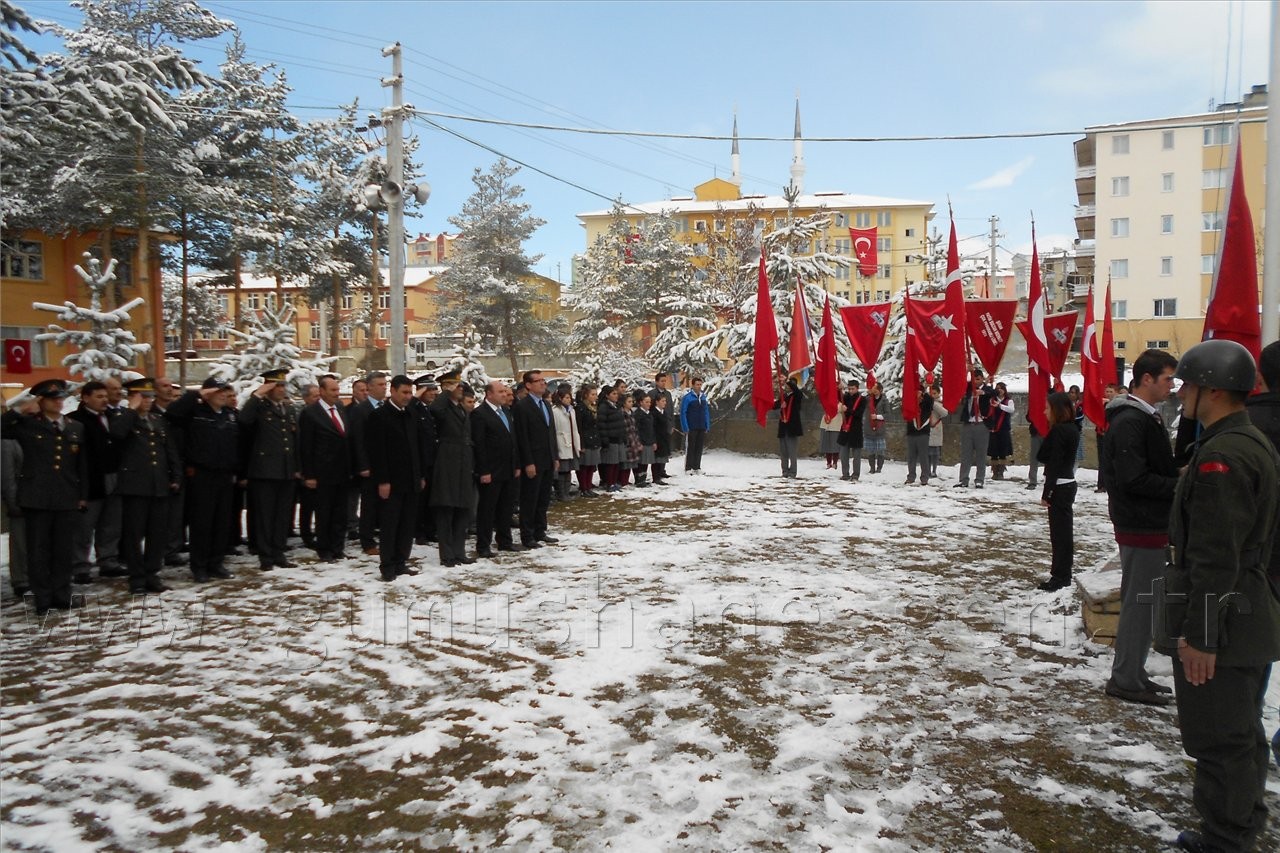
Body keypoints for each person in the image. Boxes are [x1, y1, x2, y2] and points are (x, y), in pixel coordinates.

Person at [1154, 339, 1280, 853]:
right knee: (1241, 731)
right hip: (1246, 612)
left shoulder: (1223, 456)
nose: (1181, 393)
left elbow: (1214, 556)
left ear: (1211, 389)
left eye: (1187, 384)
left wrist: (1201, 636)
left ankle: (1227, 839)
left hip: (1225, 622)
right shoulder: (1245, 443)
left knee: (1220, 736)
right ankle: (1240, 826)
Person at [1100, 348, 1180, 706]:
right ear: (1146, 379)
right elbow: (1134, 478)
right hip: (1140, 523)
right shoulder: (1131, 420)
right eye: (1167, 379)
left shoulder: (1144, 417)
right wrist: (1180, 485)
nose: (1172, 386)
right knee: (1139, 603)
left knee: (1145, 602)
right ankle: (1126, 679)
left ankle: (1134, 671)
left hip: (1147, 522)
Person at [0, 379, 88, 614]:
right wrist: (20, 410)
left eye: (60, 398)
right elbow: (2, 427)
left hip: (66, 496)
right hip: (36, 497)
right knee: (38, 550)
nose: (59, 402)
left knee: (63, 549)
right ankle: (43, 598)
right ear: (40, 401)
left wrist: (82, 495)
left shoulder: (74, 427)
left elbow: (81, 466)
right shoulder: (27, 425)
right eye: (53, 399)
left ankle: (62, 594)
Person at [109, 378, 181, 594]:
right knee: (133, 534)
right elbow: (117, 435)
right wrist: (131, 409)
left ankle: (152, 573)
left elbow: (169, 450)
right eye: (143, 397)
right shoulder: (123, 418)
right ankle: (137, 577)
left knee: (157, 533)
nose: (148, 401)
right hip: (135, 486)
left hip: (159, 484)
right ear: (133, 397)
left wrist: (175, 475)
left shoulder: (157, 420)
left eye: (150, 397)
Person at [167, 378, 240, 583]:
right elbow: (172, 414)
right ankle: (199, 566)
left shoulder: (229, 415)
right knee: (202, 523)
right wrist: (197, 395)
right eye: (219, 391)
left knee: (221, 522)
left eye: (226, 391)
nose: (224, 395)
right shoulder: (196, 412)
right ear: (208, 394)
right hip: (201, 474)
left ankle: (216, 563)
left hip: (225, 475)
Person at [239, 369, 300, 571]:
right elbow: (244, 420)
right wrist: (257, 395)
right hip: (264, 471)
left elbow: (293, 440)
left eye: (283, 386)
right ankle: (265, 556)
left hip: (285, 470)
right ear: (268, 387)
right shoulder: (259, 407)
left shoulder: (287, 409)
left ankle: (278, 552)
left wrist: (296, 468)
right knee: (265, 516)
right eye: (277, 386)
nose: (281, 390)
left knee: (282, 515)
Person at [67, 379, 125, 583]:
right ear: (85, 398)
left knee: (111, 524)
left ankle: (108, 560)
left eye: (105, 396)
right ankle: (80, 565)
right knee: (84, 526)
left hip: (114, 476)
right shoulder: (75, 420)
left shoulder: (113, 417)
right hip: (90, 480)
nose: (104, 400)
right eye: (99, 396)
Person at [367, 375, 424, 580]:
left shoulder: (411, 414)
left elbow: (416, 448)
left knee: (407, 524)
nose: (408, 397)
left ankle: (401, 561)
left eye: (410, 392)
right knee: (390, 525)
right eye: (404, 392)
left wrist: (420, 475)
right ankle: (388, 565)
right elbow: (378, 452)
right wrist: (383, 481)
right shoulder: (380, 416)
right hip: (391, 481)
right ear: (393, 391)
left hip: (411, 479)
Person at [298, 374, 352, 563]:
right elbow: (306, 446)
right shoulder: (310, 413)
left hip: (343, 470)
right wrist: (309, 474)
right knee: (325, 513)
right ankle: (325, 549)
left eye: (338, 390)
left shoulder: (340, 408)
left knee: (340, 513)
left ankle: (338, 548)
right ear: (321, 392)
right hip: (322, 472)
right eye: (333, 390)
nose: (337, 394)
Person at [1034, 391, 1081, 591]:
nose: (1045, 412)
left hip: (1060, 485)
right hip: (1066, 483)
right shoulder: (1072, 428)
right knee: (1063, 533)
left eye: (1047, 408)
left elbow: (1052, 462)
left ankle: (1060, 575)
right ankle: (1062, 572)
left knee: (1060, 534)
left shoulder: (1060, 431)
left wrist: (1047, 492)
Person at [472, 380, 521, 558]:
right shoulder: (480, 414)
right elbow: (479, 445)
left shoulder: (506, 412)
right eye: (500, 392)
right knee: (487, 509)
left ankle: (505, 541)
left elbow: (512, 441)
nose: (504, 395)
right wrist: (483, 471)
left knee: (506, 508)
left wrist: (516, 465)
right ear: (489, 394)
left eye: (505, 391)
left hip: (508, 469)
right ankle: (483, 545)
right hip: (491, 471)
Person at [513, 370, 558, 547]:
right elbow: (522, 437)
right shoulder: (522, 407)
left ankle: (540, 530)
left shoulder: (546, 405)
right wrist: (528, 462)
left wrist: (554, 456)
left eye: (543, 380)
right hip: (533, 460)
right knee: (530, 499)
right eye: (538, 381)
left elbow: (550, 433)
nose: (543, 383)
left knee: (543, 498)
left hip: (547, 458)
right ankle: (527, 535)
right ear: (528, 385)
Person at [2, 393, 37, 599]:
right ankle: (21, 580)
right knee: (21, 542)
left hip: (38, 496)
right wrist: (13, 501)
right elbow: (7, 475)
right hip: (19, 497)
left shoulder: (33, 433)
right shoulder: (9, 439)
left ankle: (35, 576)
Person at [349, 371, 386, 556]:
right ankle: (367, 541)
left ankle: (382, 536)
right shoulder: (361, 410)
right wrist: (363, 465)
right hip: (369, 466)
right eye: (380, 384)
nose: (384, 387)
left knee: (384, 504)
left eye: (385, 384)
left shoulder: (386, 407)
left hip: (385, 465)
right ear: (369, 387)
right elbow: (358, 439)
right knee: (369, 505)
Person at [410, 374, 440, 546]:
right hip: (421, 461)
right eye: (429, 390)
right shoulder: (415, 408)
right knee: (420, 501)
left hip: (432, 460)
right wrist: (416, 395)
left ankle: (429, 529)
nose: (433, 393)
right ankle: (419, 531)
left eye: (434, 389)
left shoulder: (429, 409)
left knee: (430, 499)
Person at [956, 367, 996, 488]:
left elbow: (993, 393)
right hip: (968, 423)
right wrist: (967, 369)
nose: (976, 381)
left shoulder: (987, 389)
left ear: (982, 379)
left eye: (978, 379)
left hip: (981, 424)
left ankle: (979, 479)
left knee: (981, 454)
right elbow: (960, 384)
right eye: (974, 379)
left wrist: (982, 392)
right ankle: (963, 479)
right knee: (966, 454)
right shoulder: (968, 388)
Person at [774, 376, 804, 478]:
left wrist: (787, 381)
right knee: (784, 453)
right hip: (783, 428)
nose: (789, 387)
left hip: (792, 428)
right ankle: (785, 471)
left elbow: (797, 392)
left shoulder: (797, 396)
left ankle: (793, 472)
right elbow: (774, 405)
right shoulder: (785, 396)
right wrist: (779, 404)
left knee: (792, 452)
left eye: (790, 385)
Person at [837, 378, 867, 481]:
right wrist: (838, 390)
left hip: (856, 430)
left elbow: (858, 414)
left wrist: (847, 410)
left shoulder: (862, 399)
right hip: (845, 429)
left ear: (857, 389)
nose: (850, 391)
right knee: (844, 455)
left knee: (856, 456)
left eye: (852, 389)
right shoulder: (846, 397)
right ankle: (845, 474)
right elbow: (839, 398)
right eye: (849, 389)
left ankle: (855, 475)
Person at [597, 384, 625, 493]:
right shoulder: (604, 407)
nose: (616, 396)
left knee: (616, 462)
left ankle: (614, 482)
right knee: (610, 463)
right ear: (607, 395)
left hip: (618, 438)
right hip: (610, 438)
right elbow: (602, 424)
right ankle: (609, 483)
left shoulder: (616, 406)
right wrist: (605, 440)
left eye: (616, 394)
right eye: (613, 394)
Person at [574, 384, 601, 497]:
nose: (595, 397)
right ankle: (583, 487)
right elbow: (579, 427)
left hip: (594, 439)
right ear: (586, 395)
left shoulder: (593, 407)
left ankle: (588, 486)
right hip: (585, 439)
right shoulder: (581, 408)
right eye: (593, 394)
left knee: (591, 465)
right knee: (584, 465)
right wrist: (581, 444)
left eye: (596, 394)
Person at [680, 377, 710, 474]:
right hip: (691, 426)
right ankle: (688, 467)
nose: (699, 386)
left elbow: (706, 412)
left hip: (701, 425)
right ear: (693, 385)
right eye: (697, 384)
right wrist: (685, 426)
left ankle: (697, 466)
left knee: (699, 447)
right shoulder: (688, 397)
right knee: (691, 447)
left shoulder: (703, 396)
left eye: (700, 384)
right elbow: (683, 412)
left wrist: (707, 424)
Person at [904, 386, 932, 486]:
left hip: (923, 432)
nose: (916, 394)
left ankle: (924, 477)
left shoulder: (926, 402)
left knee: (923, 456)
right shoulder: (910, 402)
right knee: (911, 457)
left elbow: (930, 403)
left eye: (918, 392)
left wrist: (926, 393)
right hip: (912, 432)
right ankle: (911, 476)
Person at [987, 382, 1015, 480]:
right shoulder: (992, 400)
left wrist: (1000, 406)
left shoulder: (1008, 400)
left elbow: (1011, 410)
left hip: (1004, 428)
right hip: (994, 427)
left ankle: (1001, 472)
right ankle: (994, 471)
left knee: (1003, 450)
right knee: (994, 450)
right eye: (998, 388)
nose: (1000, 390)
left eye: (1001, 388)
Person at [818, 380, 844, 471]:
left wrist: (840, 390)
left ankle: (835, 462)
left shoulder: (840, 402)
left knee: (835, 445)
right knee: (827, 444)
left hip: (836, 425)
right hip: (826, 424)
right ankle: (828, 462)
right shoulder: (826, 400)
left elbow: (842, 405)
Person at [633, 391, 657, 488]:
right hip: (642, 441)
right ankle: (638, 479)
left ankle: (643, 478)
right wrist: (639, 442)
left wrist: (654, 441)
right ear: (641, 402)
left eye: (649, 402)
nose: (648, 404)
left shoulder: (649, 414)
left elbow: (652, 428)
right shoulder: (638, 414)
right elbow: (636, 429)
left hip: (649, 440)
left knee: (646, 461)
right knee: (641, 462)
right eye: (646, 402)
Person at [864, 382, 888, 474]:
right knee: (871, 450)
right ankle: (872, 468)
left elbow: (888, 414)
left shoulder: (884, 400)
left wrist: (877, 417)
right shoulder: (868, 399)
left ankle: (879, 468)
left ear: (880, 390)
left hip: (879, 428)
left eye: (875, 389)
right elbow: (861, 400)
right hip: (869, 428)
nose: (874, 391)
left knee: (880, 450)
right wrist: (867, 392)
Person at [926, 384, 947, 481]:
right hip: (927, 428)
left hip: (936, 427)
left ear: (938, 394)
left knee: (935, 452)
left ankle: (934, 469)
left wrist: (933, 403)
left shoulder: (940, 403)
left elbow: (944, 413)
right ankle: (928, 469)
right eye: (931, 393)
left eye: (934, 393)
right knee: (927, 452)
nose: (932, 395)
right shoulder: (926, 401)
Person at [651, 393, 673, 484]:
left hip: (664, 437)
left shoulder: (663, 412)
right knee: (656, 459)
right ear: (657, 402)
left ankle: (661, 473)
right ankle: (656, 477)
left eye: (665, 401)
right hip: (657, 437)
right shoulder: (654, 413)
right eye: (662, 401)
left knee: (662, 457)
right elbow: (653, 427)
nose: (665, 403)